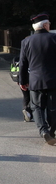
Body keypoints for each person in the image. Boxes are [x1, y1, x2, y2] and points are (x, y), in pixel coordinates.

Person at [19, 12, 56, 145]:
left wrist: (22, 81)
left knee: (37, 107)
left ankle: (44, 131)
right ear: (45, 25)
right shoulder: (54, 38)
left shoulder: (26, 41)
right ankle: (52, 132)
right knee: (53, 107)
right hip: (53, 80)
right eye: (49, 24)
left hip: (35, 81)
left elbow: (23, 63)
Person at [10, 56, 32, 122]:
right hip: (31, 78)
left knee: (26, 96)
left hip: (21, 79)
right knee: (34, 97)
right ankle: (28, 112)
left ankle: (26, 112)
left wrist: (20, 81)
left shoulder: (21, 56)